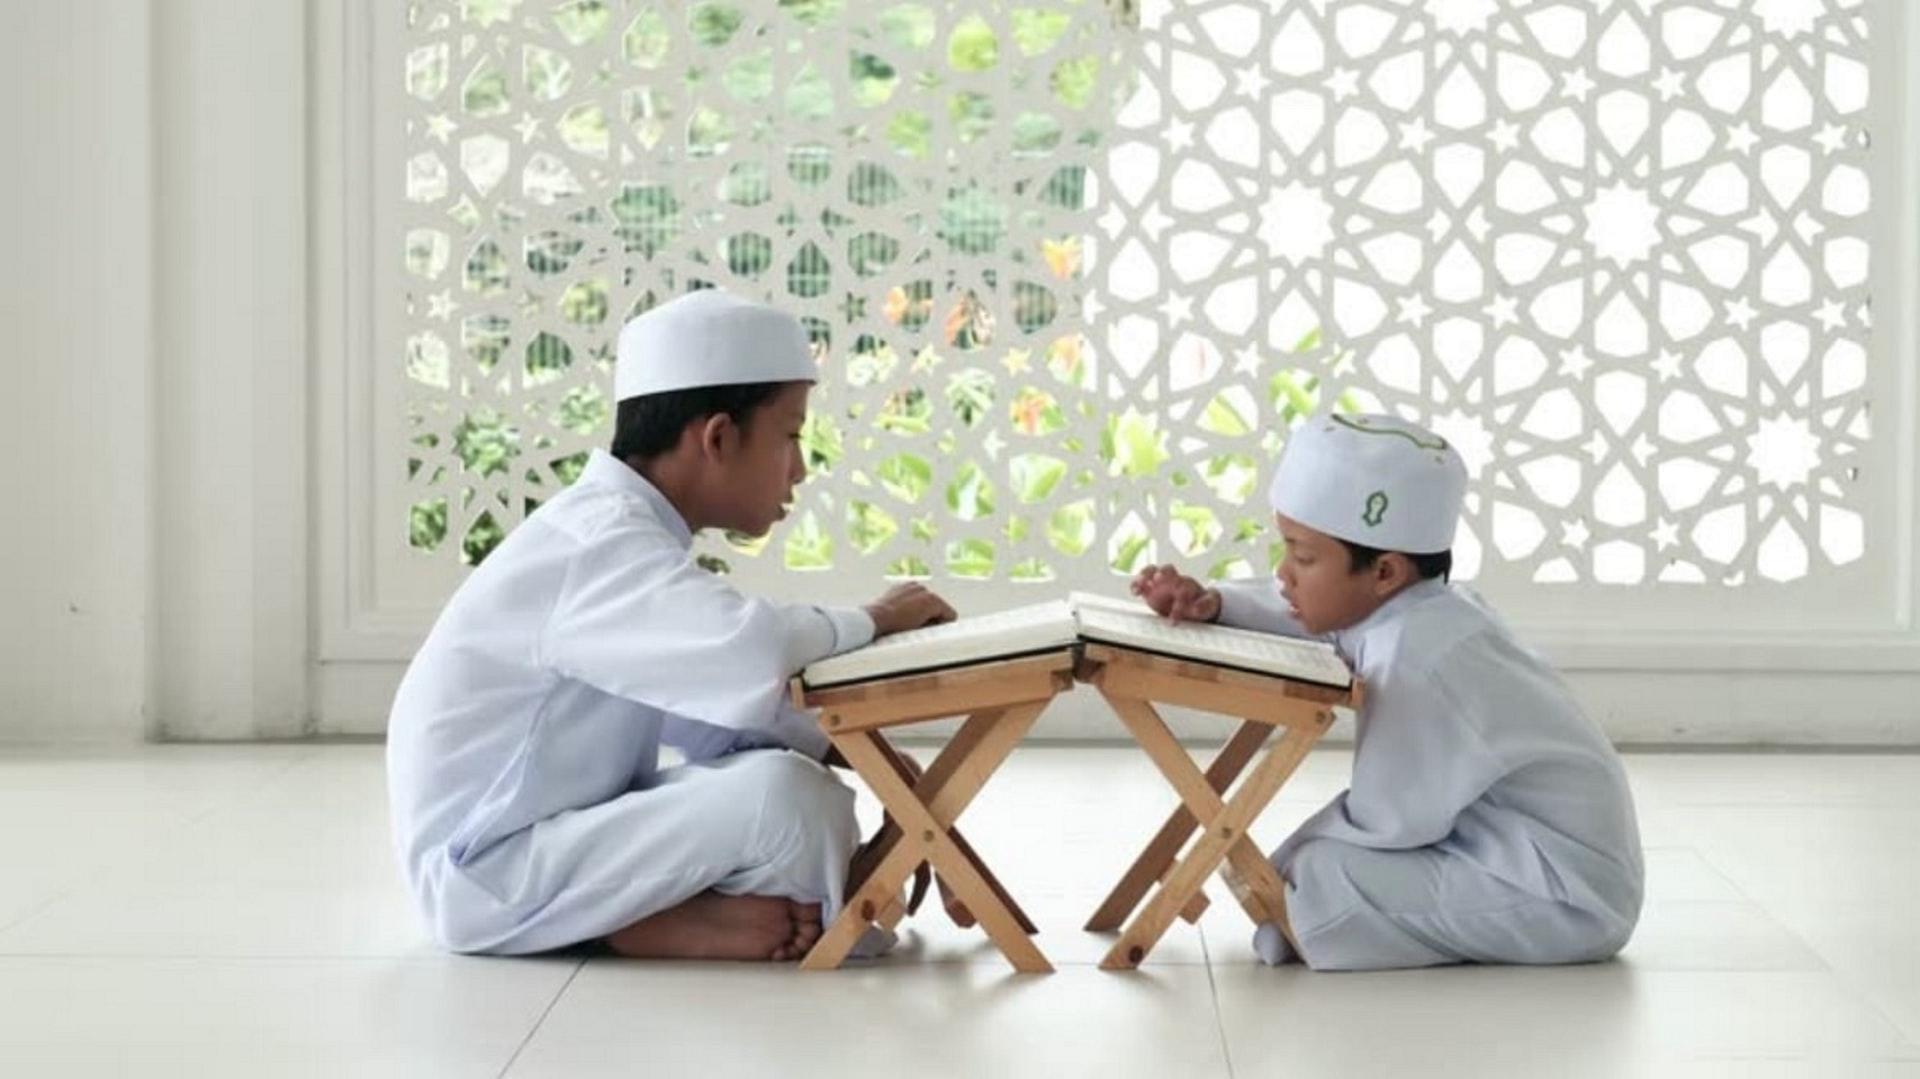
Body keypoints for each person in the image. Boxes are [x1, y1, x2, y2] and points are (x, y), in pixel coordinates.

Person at [387, 288, 955, 960]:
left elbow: (702, 713)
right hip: (487, 872)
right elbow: (754, 652)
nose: (800, 469)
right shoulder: (597, 543)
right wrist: (876, 618)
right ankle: (622, 923)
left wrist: (875, 763)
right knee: (791, 803)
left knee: (798, 792)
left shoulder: (622, 536)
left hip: (554, 838)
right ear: (718, 437)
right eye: (791, 435)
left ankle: (633, 915)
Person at [1132, 412, 1642, 970]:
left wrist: (1286, 855)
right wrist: (1213, 604)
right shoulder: (1406, 609)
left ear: (1385, 573)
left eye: (1303, 557)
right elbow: (1316, 616)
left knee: (1323, 873)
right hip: (1506, 850)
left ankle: (1298, 924)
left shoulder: (1418, 655)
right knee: (1314, 869)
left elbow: (1391, 820)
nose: (1283, 575)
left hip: (1565, 894)